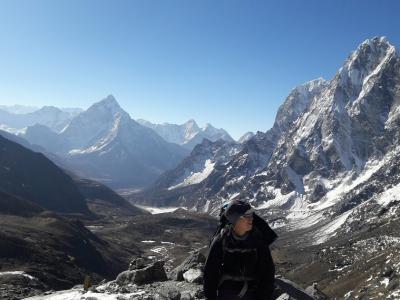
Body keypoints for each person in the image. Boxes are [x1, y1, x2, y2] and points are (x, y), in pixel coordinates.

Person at [203, 200, 276, 300]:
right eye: (246, 216)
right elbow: (210, 272)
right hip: (227, 290)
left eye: (251, 215)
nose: (251, 219)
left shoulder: (258, 240)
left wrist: (264, 296)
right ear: (235, 219)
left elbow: (268, 271)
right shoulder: (221, 240)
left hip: (253, 291)